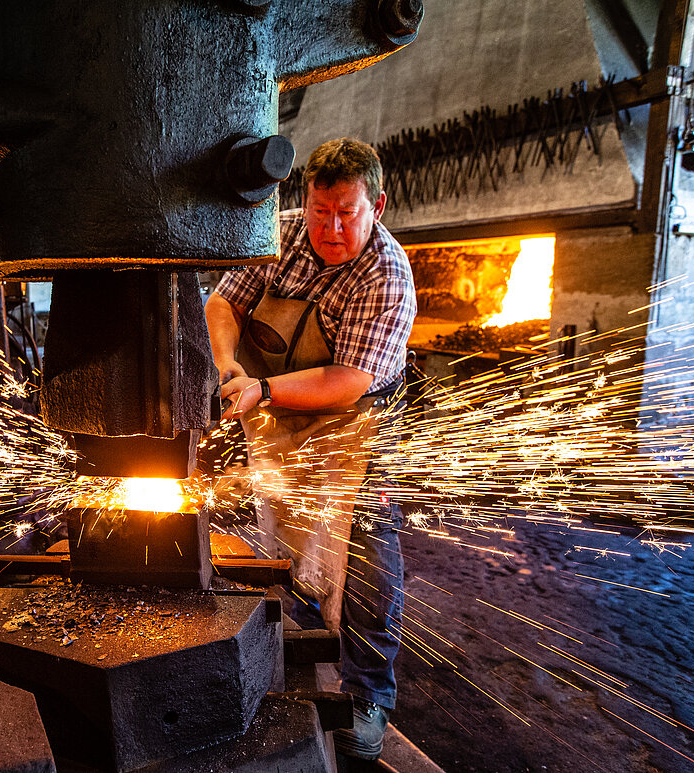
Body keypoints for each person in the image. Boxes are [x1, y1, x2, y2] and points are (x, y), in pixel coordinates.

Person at [205, 137, 416, 761]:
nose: (330, 227)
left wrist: (262, 387)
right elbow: (224, 300)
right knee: (257, 525)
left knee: (367, 549)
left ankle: (368, 693)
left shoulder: (386, 274)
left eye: (346, 213)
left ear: (376, 204)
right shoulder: (283, 232)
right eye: (320, 212)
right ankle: (275, 656)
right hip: (271, 407)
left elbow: (346, 379)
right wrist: (228, 370)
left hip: (355, 425)